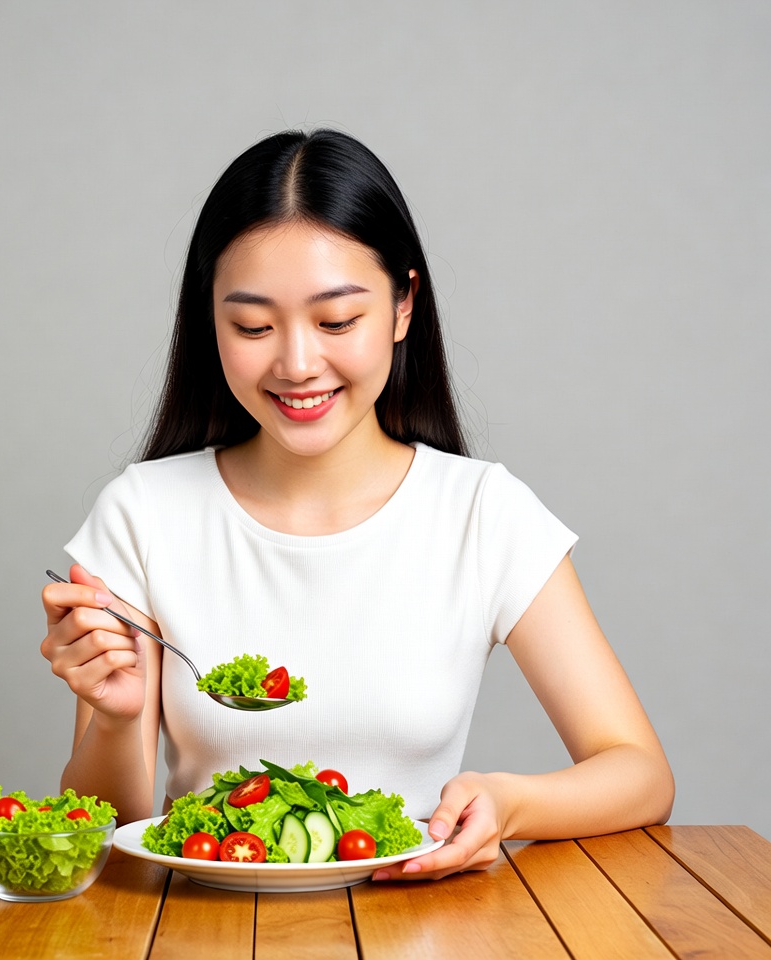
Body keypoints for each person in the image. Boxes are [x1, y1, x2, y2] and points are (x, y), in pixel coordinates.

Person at [40, 128, 674, 880]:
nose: (298, 363)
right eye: (252, 326)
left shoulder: (480, 513)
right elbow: (107, 833)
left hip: (421, 926)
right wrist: (114, 719)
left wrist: (508, 803)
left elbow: (640, 773)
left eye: (337, 321)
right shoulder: (143, 513)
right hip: (204, 930)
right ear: (209, 320)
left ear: (404, 305)